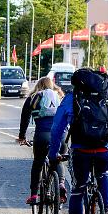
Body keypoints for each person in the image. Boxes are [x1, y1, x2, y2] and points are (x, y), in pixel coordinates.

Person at [48, 67, 108, 214]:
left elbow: (57, 129)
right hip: (105, 149)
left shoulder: (72, 98)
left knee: (79, 189)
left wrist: (53, 153)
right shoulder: (106, 95)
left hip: (81, 150)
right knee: (103, 175)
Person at [17, 77, 66, 205]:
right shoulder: (60, 97)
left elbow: (25, 119)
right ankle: (60, 184)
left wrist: (22, 136)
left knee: (38, 164)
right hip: (61, 136)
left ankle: (33, 195)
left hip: (42, 135)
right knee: (57, 159)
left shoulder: (33, 98)